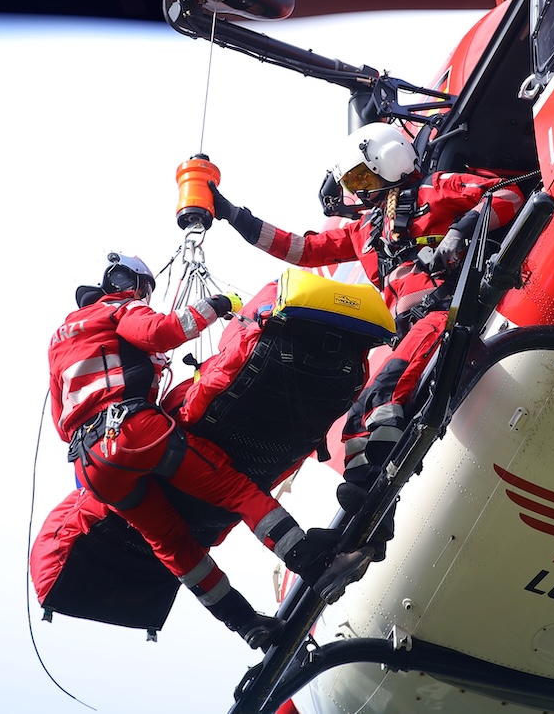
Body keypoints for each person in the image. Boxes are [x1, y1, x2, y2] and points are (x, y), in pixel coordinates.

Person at [208, 123, 524, 506]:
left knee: (385, 388)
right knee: (356, 417)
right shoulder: (363, 231)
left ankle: (386, 461)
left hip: (447, 308)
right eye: (352, 181)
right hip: (410, 328)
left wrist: (460, 231)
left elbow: (508, 193)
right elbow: (301, 249)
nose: (358, 189)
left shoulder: (436, 187)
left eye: (361, 175)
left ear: (389, 160)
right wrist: (232, 215)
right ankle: (369, 492)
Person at [47, 252, 347, 649]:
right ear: (133, 286)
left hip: (90, 464)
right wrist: (220, 304)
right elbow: (165, 332)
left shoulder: (62, 337)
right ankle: (314, 563)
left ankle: (245, 623)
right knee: (234, 489)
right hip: (133, 431)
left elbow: (59, 420)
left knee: (172, 545)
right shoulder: (119, 309)